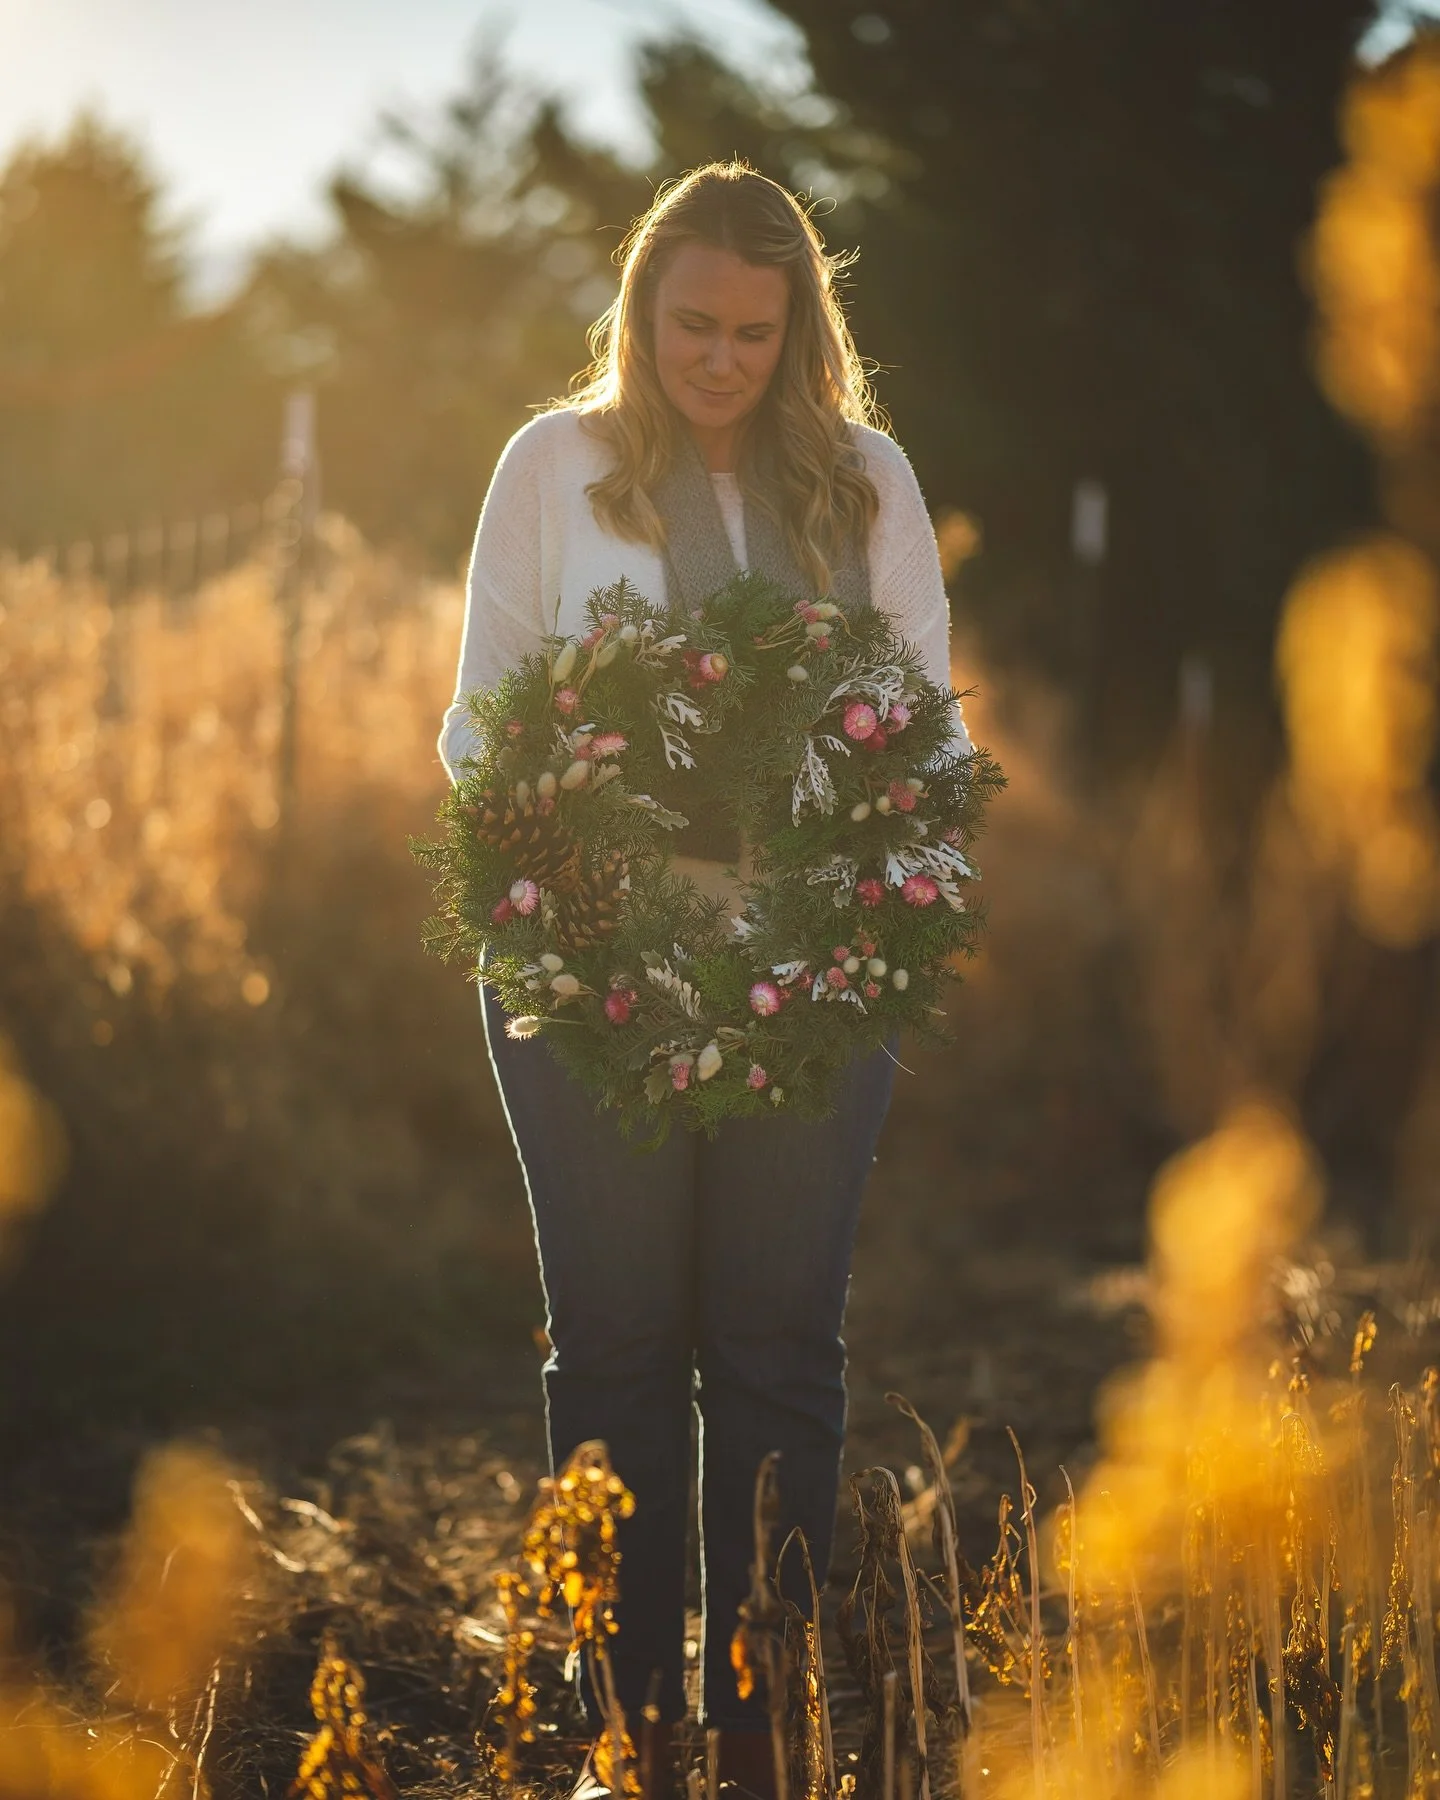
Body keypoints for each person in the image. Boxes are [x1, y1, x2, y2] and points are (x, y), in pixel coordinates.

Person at [438, 162, 961, 1798]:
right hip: (588, 967)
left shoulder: (864, 483)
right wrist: (594, 886)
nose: (721, 359)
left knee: (777, 1349)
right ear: (640, 311)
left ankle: (760, 1727)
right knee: (613, 1346)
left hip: (814, 969)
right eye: (692, 326)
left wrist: (849, 897)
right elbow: (482, 723)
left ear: (800, 328)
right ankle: (630, 1736)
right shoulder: (554, 466)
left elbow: (924, 730)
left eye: (754, 330)